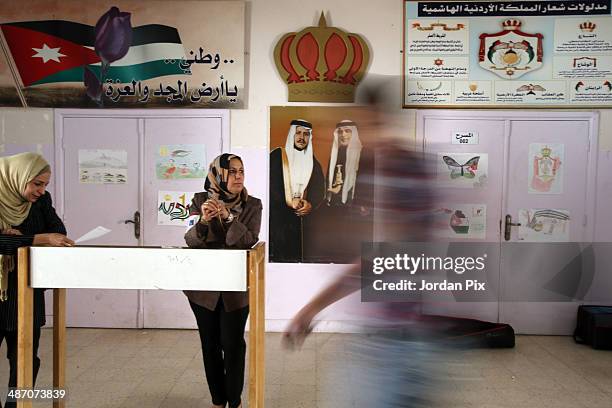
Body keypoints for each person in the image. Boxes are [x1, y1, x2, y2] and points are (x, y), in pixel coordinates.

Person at [184, 153, 262, 408]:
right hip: (203, 290)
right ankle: (218, 401)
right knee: (210, 345)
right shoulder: (198, 201)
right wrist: (204, 221)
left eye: (241, 171)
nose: (239, 176)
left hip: (235, 289)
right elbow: (190, 240)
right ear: (218, 175)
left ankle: (235, 401)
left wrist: (229, 217)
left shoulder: (253, 205)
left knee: (233, 344)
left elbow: (248, 240)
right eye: (232, 171)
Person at [0, 152, 74, 408]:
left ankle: (15, 405)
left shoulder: (41, 202)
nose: (41, 191)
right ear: (17, 177)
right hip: (0, 289)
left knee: (25, 359)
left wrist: (14, 237)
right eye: (36, 184)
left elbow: (59, 233)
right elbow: (46, 237)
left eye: (45, 185)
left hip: (26, 290)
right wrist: (34, 239)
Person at [269, 119, 325, 262]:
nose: (302, 137)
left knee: (300, 258)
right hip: (278, 218)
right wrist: (288, 200)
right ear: (291, 135)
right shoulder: (277, 156)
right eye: (298, 133)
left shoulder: (313, 162)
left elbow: (319, 189)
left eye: (306, 134)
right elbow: (270, 184)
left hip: (302, 220)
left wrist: (310, 204)